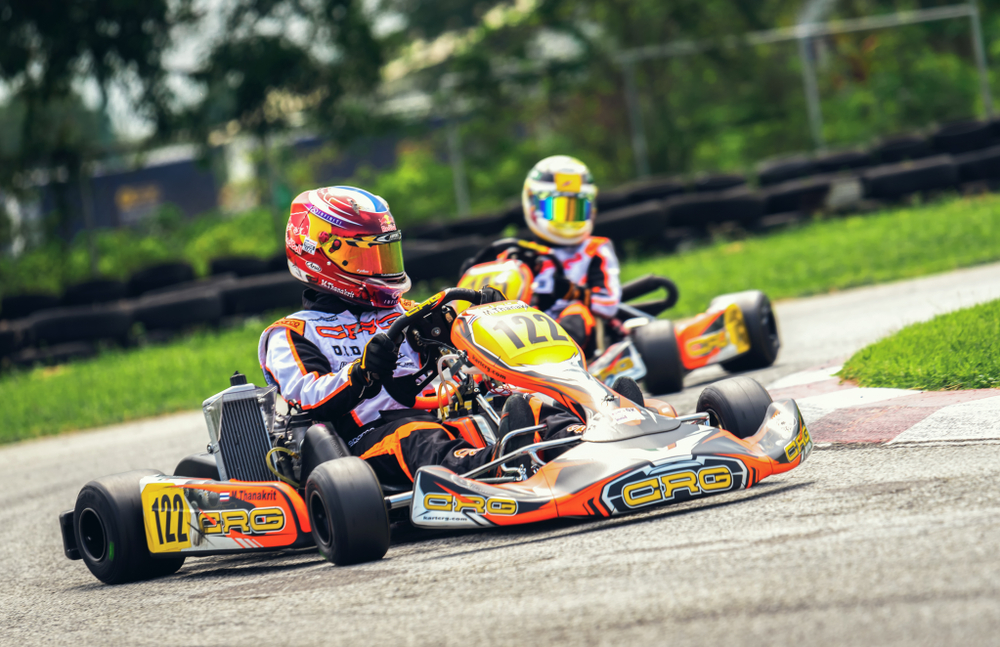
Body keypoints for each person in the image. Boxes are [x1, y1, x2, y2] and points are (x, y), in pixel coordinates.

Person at [257, 185, 580, 489]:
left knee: (524, 401)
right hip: (368, 438)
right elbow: (307, 396)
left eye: (385, 253)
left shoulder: (408, 312)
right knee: (417, 435)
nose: (379, 267)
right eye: (365, 256)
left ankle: (582, 437)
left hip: (444, 410)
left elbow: (464, 354)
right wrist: (362, 372)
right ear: (319, 253)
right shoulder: (291, 333)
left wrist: (488, 315)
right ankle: (497, 465)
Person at [519, 155, 622, 353]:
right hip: (527, 330)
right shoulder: (522, 255)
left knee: (576, 312)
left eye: (576, 210)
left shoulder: (595, 250)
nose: (568, 220)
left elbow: (608, 303)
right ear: (533, 205)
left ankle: (556, 362)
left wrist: (571, 293)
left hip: (578, 334)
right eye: (558, 209)